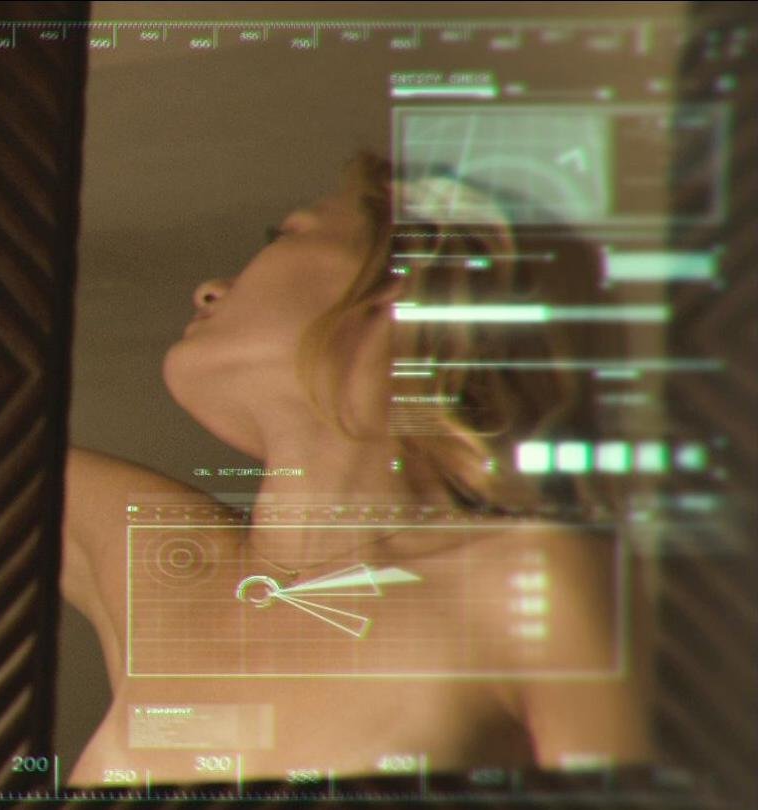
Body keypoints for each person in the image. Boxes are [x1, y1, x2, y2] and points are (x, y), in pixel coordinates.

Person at [61, 151, 651, 787]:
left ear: (408, 276)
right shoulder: (161, 557)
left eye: (288, 233)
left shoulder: (532, 580)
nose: (208, 287)